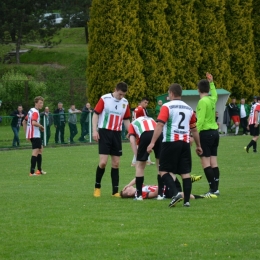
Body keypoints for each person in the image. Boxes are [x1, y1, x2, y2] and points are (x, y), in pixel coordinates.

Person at [147, 83, 203, 207]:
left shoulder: (167, 106)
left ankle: (176, 193)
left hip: (170, 142)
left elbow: (160, 124)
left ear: (171, 93)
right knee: (185, 173)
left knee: (163, 171)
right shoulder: (189, 108)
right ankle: (187, 201)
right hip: (185, 143)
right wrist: (198, 145)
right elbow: (194, 130)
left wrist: (152, 142)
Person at [92, 82, 131, 197]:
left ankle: (115, 192)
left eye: (123, 95)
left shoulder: (125, 102)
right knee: (103, 162)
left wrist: (131, 132)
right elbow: (95, 114)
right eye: (120, 94)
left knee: (116, 163)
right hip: (104, 132)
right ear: (115, 89)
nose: (121, 97)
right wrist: (95, 130)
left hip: (116, 134)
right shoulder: (105, 98)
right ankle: (97, 187)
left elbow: (126, 119)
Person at [196, 72, 220, 197]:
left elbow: (199, 121)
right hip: (215, 133)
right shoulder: (211, 99)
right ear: (208, 89)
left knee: (205, 163)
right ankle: (216, 188)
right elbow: (215, 95)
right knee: (214, 162)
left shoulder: (202, 102)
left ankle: (212, 189)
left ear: (198, 89)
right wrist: (212, 83)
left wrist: (193, 134)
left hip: (205, 134)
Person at [128, 116, 163, 200]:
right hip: (159, 134)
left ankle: (139, 195)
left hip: (145, 134)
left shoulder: (132, 124)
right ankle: (160, 195)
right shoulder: (150, 118)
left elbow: (132, 141)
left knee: (140, 166)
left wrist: (138, 157)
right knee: (160, 166)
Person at [120, 174, 216, 199]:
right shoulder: (139, 194)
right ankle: (203, 196)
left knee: (168, 170)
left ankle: (187, 179)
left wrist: (128, 185)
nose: (126, 187)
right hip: (167, 191)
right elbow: (153, 194)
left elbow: (138, 178)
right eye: (126, 189)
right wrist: (164, 184)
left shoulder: (139, 190)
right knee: (182, 194)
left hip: (168, 187)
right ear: (128, 193)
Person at [23, 96, 46, 176]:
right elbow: (33, 122)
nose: (41, 104)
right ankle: (32, 172)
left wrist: (26, 134)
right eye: (40, 103)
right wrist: (41, 126)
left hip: (34, 134)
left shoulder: (30, 111)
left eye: (42, 103)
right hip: (35, 135)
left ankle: (39, 170)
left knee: (40, 149)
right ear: (36, 103)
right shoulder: (35, 112)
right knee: (36, 151)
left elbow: (24, 122)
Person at [131, 98, 155, 166]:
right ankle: (134, 161)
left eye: (147, 103)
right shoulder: (141, 109)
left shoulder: (138, 109)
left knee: (145, 144)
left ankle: (148, 160)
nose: (146, 104)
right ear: (141, 102)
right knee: (140, 145)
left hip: (138, 128)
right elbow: (145, 119)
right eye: (145, 102)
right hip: (141, 129)